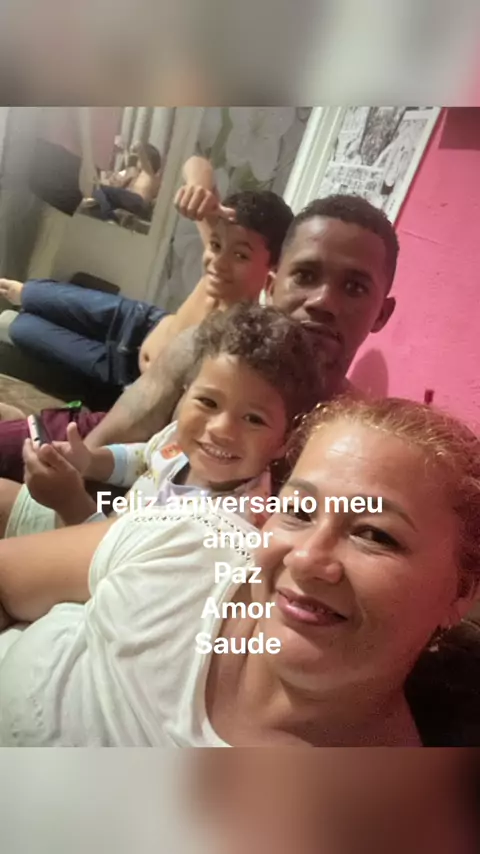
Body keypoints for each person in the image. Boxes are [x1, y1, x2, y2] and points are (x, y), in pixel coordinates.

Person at [0, 396, 478, 746]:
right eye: (299, 510)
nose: (305, 558)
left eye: (375, 534)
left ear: (462, 593)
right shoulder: (190, 540)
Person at [83, 192, 398, 451]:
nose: (323, 301)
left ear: (381, 315)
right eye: (305, 276)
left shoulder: (359, 435)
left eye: (354, 288)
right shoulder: (199, 352)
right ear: (271, 286)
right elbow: (94, 458)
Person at [0, 304, 318, 537]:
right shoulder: (180, 441)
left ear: (285, 441)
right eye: (208, 402)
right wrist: (90, 461)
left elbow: (109, 568)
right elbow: (144, 459)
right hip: (90, 526)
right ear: (184, 394)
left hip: (94, 572)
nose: (220, 429)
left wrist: (70, 501)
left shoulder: (225, 524)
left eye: (253, 419)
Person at [0, 162, 293, 393]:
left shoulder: (247, 332)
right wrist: (197, 186)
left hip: (120, 370)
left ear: (273, 268)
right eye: (215, 245)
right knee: (29, 292)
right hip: (135, 319)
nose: (218, 262)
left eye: (241, 256)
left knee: (21, 329)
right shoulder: (222, 252)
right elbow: (195, 163)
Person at [85, 141, 163, 222]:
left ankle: (108, 218)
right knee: (99, 194)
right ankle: (108, 218)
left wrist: (139, 147)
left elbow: (144, 160)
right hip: (130, 201)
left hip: (139, 202)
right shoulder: (136, 175)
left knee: (98, 188)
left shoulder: (149, 174)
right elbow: (119, 186)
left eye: (139, 159)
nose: (137, 161)